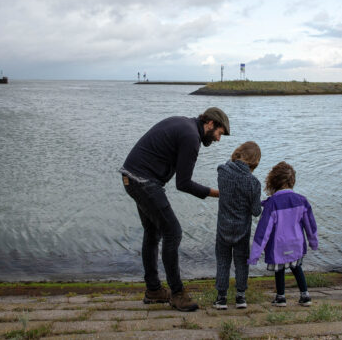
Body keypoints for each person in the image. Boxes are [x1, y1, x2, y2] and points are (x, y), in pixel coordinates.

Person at [120, 107, 230, 312]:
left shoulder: (185, 125)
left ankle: (153, 290)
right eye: (219, 133)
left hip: (131, 177)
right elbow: (184, 183)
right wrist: (219, 193)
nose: (218, 139)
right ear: (210, 124)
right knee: (173, 232)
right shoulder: (191, 137)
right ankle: (177, 294)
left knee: (153, 232)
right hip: (143, 181)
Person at [247, 161, 318, 307]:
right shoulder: (302, 200)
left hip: (278, 245)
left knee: (279, 270)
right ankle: (305, 295)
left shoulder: (272, 203)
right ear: (292, 181)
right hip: (296, 244)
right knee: (297, 268)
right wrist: (313, 242)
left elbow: (263, 231)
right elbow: (310, 225)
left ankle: (281, 297)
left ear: (273, 181)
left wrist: (254, 255)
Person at [213, 141, 262, 310]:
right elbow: (256, 211)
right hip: (242, 229)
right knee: (241, 262)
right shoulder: (253, 183)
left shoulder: (222, 171)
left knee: (222, 261)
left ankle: (221, 298)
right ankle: (240, 297)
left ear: (238, 152)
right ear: (255, 161)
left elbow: (225, 167)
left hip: (223, 227)